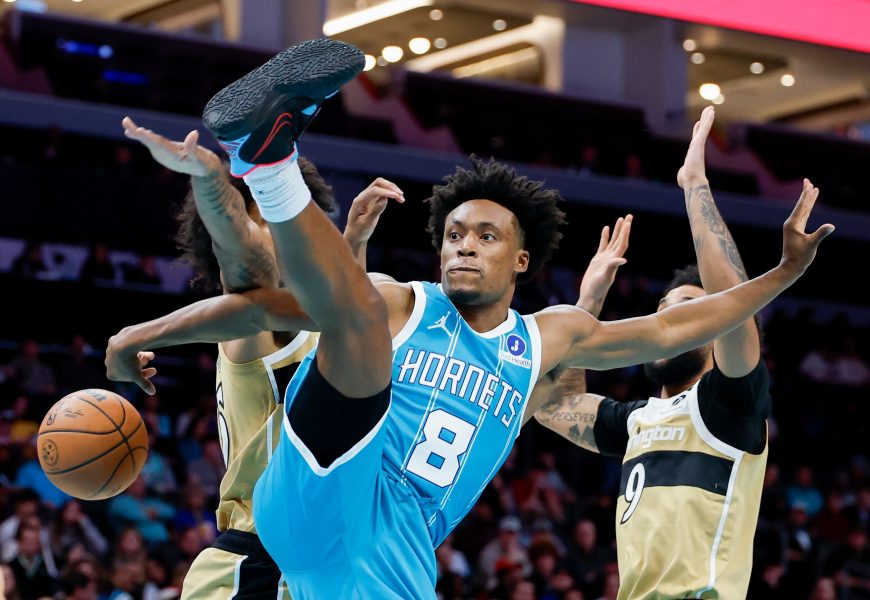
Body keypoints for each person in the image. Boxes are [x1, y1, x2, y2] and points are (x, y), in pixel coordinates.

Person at [106, 40, 832, 598]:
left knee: (354, 311)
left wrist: (782, 274)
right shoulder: (406, 301)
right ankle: (270, 162)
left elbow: (675, 330)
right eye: (453, 234)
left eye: (485, 236)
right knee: (356, 311)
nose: (464, 246)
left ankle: (266, 159)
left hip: (396, 554)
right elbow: (262, 302)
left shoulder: (546, 336)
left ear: (521, 259)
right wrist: (138, 334)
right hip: (326, 487)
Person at [116, 113, 401, 599]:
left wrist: (353, 241)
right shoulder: (255, 326)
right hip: (256, 567)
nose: (279, 227)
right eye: (262, 215)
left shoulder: (302, 319)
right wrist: (210, 176)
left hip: (317, 565)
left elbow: (345, 321)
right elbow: (242, 253)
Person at [534, 106, 785, 598]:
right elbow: (552, 405)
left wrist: (694, 186)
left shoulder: (729, 406)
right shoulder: (636, 421)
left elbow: (732, 300)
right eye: (664, 311)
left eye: (688, 313)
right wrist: (588, 304)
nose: (670, 322)